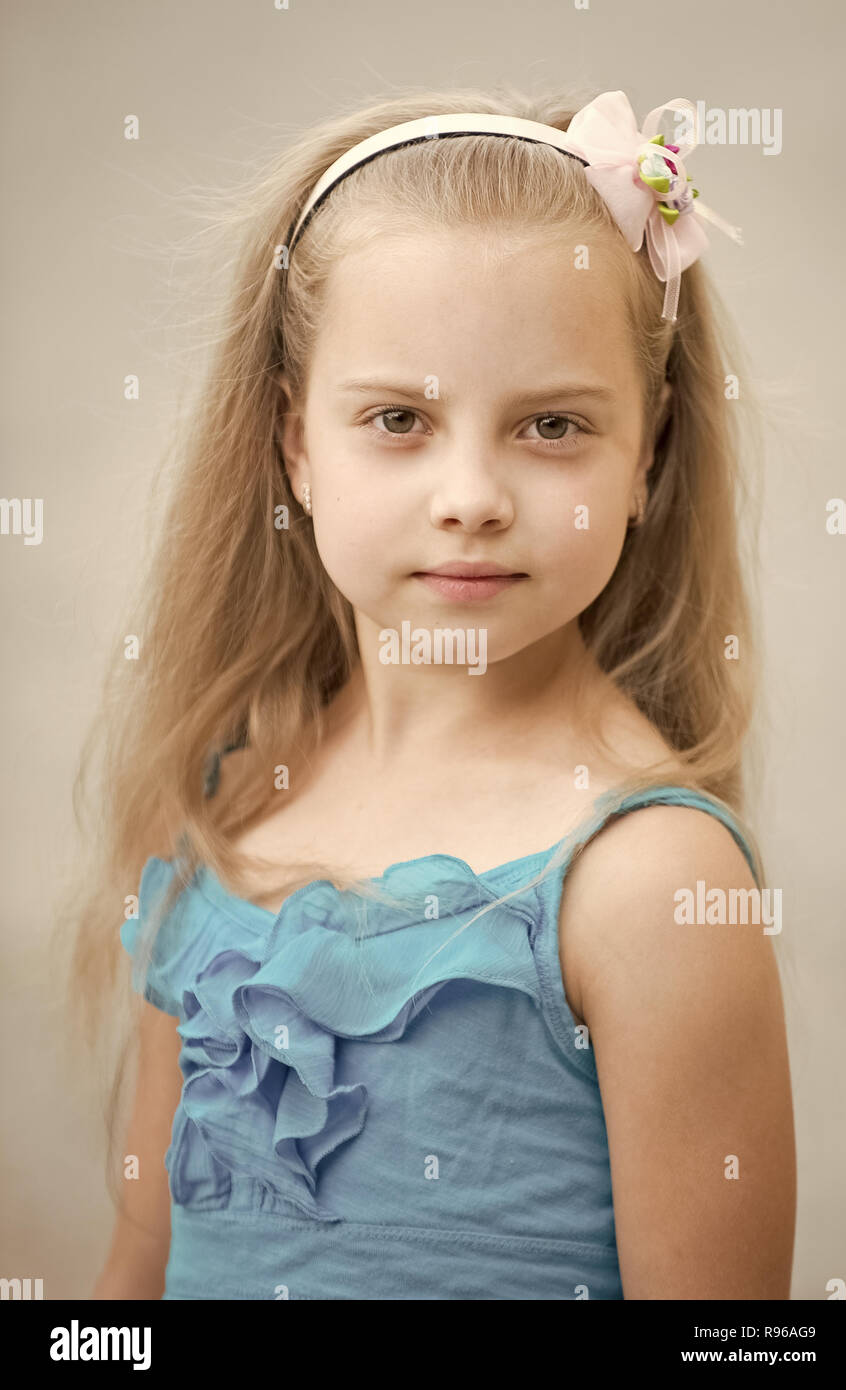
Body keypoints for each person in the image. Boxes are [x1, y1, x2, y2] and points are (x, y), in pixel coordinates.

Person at [84, 85, 795, 1299]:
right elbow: (135, 1276)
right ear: (294, 443)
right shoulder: (229, 803)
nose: (470, 493)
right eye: (400, 418)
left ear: (649, 456)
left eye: (552, 424)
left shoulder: (649, 884)